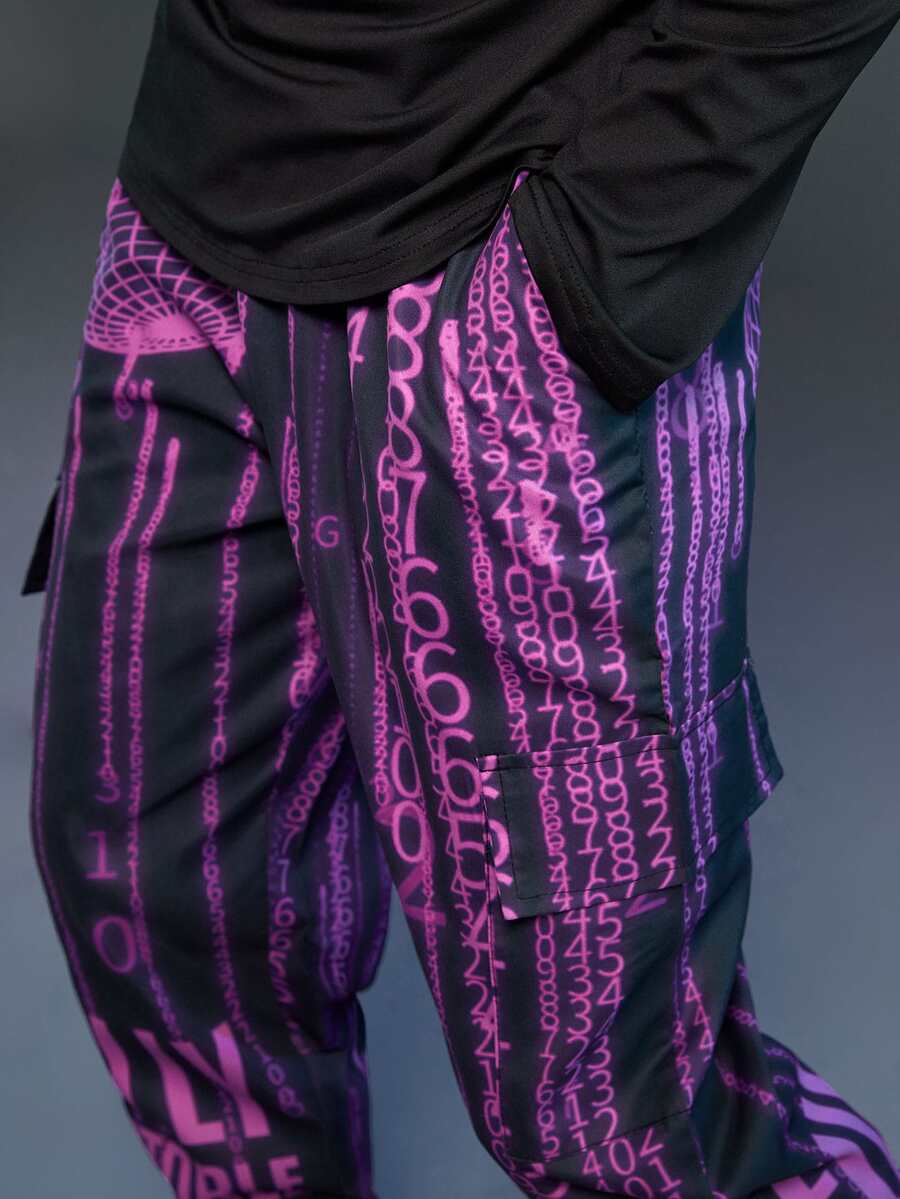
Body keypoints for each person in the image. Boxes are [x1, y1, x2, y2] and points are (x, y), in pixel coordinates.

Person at [21, 2, 900, 1197]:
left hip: (512, 234)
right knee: (162, 909)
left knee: (622, 1109)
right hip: (198, 198)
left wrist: (613, 253)